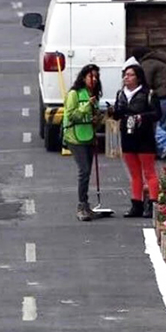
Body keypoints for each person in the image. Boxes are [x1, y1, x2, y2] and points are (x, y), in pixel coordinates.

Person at [110, 63, 161, 218]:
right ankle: (136, 204)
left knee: (148, 171)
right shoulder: (121, 94)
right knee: (134, 173)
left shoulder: (148, 94)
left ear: (138, 78)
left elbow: (157, 114)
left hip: (144, 136)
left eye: (130, 75)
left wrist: (142, 117)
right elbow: (118, 114)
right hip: (128, 136)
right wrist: (114, 112)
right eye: (125, 75)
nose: (127, 77)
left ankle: (152, 203)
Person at [63, 64, 102, 222]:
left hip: (88, 135)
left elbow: (96, 118)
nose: (94, 80)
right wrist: (87, 107)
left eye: (96, 77)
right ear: (83, 77)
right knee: (84, 170)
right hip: (75, 137)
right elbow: (72, 115)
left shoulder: (93, 94)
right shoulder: (74, 94)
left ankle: (86, 205)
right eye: (91, 76)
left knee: (87, 172)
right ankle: (81, 205)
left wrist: (97, 119)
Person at [132, 47, 166, 158]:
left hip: (164, 96)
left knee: (157, 122)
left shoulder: (148, 63)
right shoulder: (160, 60)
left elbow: (145, 83)